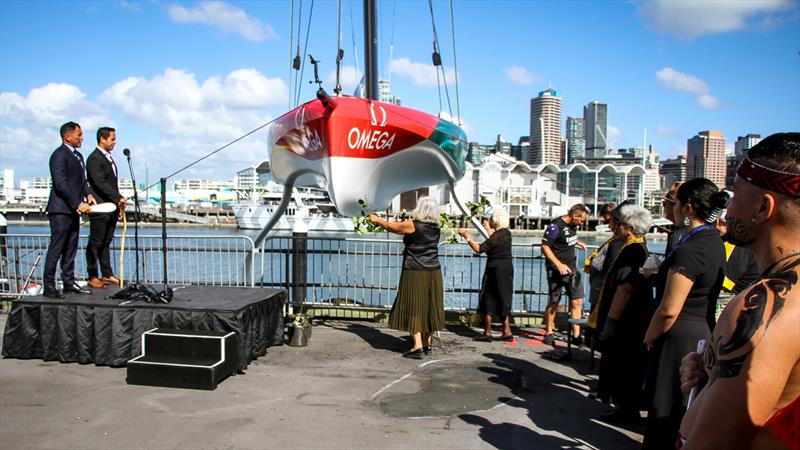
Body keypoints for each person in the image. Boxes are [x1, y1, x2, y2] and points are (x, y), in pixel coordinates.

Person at [678, 132, 800, 449]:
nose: (727, 208)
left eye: (734, 195)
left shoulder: (764, 306)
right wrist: (711, 376)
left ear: (762, 207)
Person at [641, 178, 729, 449]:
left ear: (688, 208)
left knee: (665, 407)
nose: (674, 209)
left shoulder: (691, 248)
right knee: (684, 407)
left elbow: (669, 309)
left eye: (676, 204)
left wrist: (650, 334)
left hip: (678, 335)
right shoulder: (713, 241)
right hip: (701, 328)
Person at [587, 204, 654, 423]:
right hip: (633, 316)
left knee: (623, 364)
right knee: (627, 364)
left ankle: (625, 408)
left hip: (626, 319)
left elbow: (624, 287)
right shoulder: (638, 247)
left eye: (622, 225)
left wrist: (611, 321)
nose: (617, 228)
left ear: (630, 228)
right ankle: (625, 406)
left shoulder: (631, 250)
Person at [368, 196, 444, 359]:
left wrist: (376, 220)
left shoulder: (412, 225)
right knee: (430, 307)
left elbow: (391, 226)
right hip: (434, 270)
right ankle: (426, 342)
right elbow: (422, 244)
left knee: (414, 306)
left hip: (415, 270)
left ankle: (416, 346)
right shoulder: (437, 227)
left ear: (420, 209)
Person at [43, 122, 96, 298]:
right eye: (79, 135)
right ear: (67, 136)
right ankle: (49, 285)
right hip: (60, 210)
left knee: (71, 248)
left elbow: (83, 181)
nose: (82, 138)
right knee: (56, 248)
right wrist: (77, 203)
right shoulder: (59, 155)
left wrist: (88, 195)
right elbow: (61, 184)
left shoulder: (78, 156)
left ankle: (68, 281)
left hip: (73, 211)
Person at [458, 209, 514, 342]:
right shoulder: (506, 234)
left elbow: (479, 248)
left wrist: (467, 236)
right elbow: (493, 240)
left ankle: (487, 332)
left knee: (488, 298)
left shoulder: (497, 236)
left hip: (494, 270)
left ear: (496, 220)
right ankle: (507, 330)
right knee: (503, 298)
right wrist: (487, 228)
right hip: (506, 270)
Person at [541, 203, 589, 346]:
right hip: (556, 270)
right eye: (581, 221)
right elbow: (545, 246)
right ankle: (549, 331)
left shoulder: (573, 226)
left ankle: (576, 334)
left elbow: (565, 239)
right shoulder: (555, 226)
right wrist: (558, 264)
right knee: (554, 301)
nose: (582, 224)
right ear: (574, 216)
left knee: (577, 300)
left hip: (572, 268)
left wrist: (576, 242)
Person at [86, 127, 126, 289]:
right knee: (96, 242)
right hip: (100, 206)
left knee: (106, 241)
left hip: (112, 207)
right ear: (102, 139)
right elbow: (100, 183)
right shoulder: (94, 159)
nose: (114, 142)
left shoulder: (108, 158)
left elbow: (111, 184)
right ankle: (92, 274)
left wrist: (119, 204)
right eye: (112, 139)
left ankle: (107, 273)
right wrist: (118, 197)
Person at [585, 202, 618, 312]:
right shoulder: (613, 241)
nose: (609, 226)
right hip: (599, 285)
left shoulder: (617, 243)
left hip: (603, 287)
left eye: (609, 221)